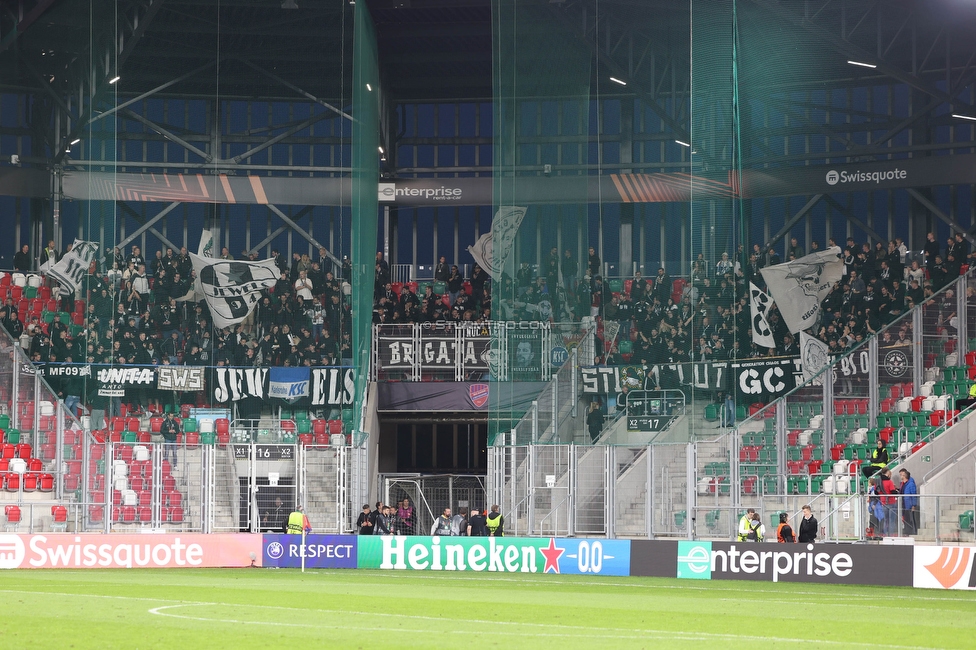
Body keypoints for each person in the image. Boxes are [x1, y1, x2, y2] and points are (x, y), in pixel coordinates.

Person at [899, 469, 919, 535]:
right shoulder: (904, 484)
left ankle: (913, 532)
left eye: (902, 475)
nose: (901, 476)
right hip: (904, 504)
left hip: (909, 505)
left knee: (911, 519)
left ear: (904, 476)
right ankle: (907, 532)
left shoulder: (911, 484)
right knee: (906, 519)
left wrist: (913, 505)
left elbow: (913, 495)